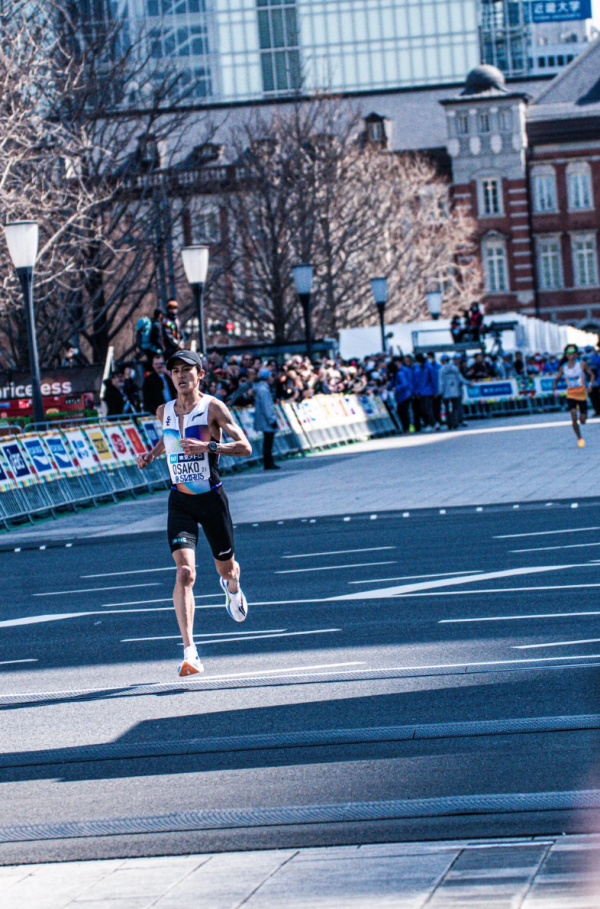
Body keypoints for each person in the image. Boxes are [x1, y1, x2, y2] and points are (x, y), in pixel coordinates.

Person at [137, 350, 253, 677]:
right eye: (175, 371)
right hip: (180, 501)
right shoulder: (164, 411)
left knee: (227, 569)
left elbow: (245, 446)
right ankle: (190, 651)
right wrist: (152, 454)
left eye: (187, 370)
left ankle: (232, 589)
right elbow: (169, 439)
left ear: (200, 374)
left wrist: (209, 447)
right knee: (185, 573)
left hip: (212, 499)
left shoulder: (213, 407)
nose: (180, 376)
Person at [553, 344, 594, 448]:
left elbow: (592, 375)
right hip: (571, 394)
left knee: (582, 420)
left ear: (576, 355)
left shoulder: (581, 364)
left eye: (573, 354)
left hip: (582, 395)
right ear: (566, 355)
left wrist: (590, 385)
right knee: (573, 414)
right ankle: (579, 438)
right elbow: (558, 377)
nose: (571, 356)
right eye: (569, 354)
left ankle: (583, 418)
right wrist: (554, 387)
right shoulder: (564, 367)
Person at [254, 367, 279, 470]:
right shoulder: (264, 390)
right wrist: (272, 419)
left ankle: (269, 462)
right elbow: (267, 406)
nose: (272, 378)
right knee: (268, 442)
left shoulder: (261, 389)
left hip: (264, 420)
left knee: (268, 441)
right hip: (266, 421)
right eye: (271, 376)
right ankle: (268, 462)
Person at [439, 354, 469, 430]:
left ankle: (450, 423)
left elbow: (440, 382)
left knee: (447, 408)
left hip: (446, 392)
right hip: (456, 391)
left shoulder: (441, 369)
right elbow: (460, 378)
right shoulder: (455, 368)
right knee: (456, 407)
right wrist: (468, 383)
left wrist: (440, 392)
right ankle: (456, 422)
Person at [390, 355, 413, 433]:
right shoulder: (395, 375)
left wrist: (396, 388)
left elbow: (405, 383)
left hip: (405, 395)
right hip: (400, 397)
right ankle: (405, 427)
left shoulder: (400, 373)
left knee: (405, 412)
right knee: (401, 412)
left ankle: (408, 428)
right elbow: (391, 383)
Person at [426, 351, 442, 429]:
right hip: (429, 391)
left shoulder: (438, 367)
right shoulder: (426, 367)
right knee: (429, 408)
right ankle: (433, 422)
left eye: (429, 357)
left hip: (437, 390)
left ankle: (438, 421)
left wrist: (437, 390)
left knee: (437, 407)